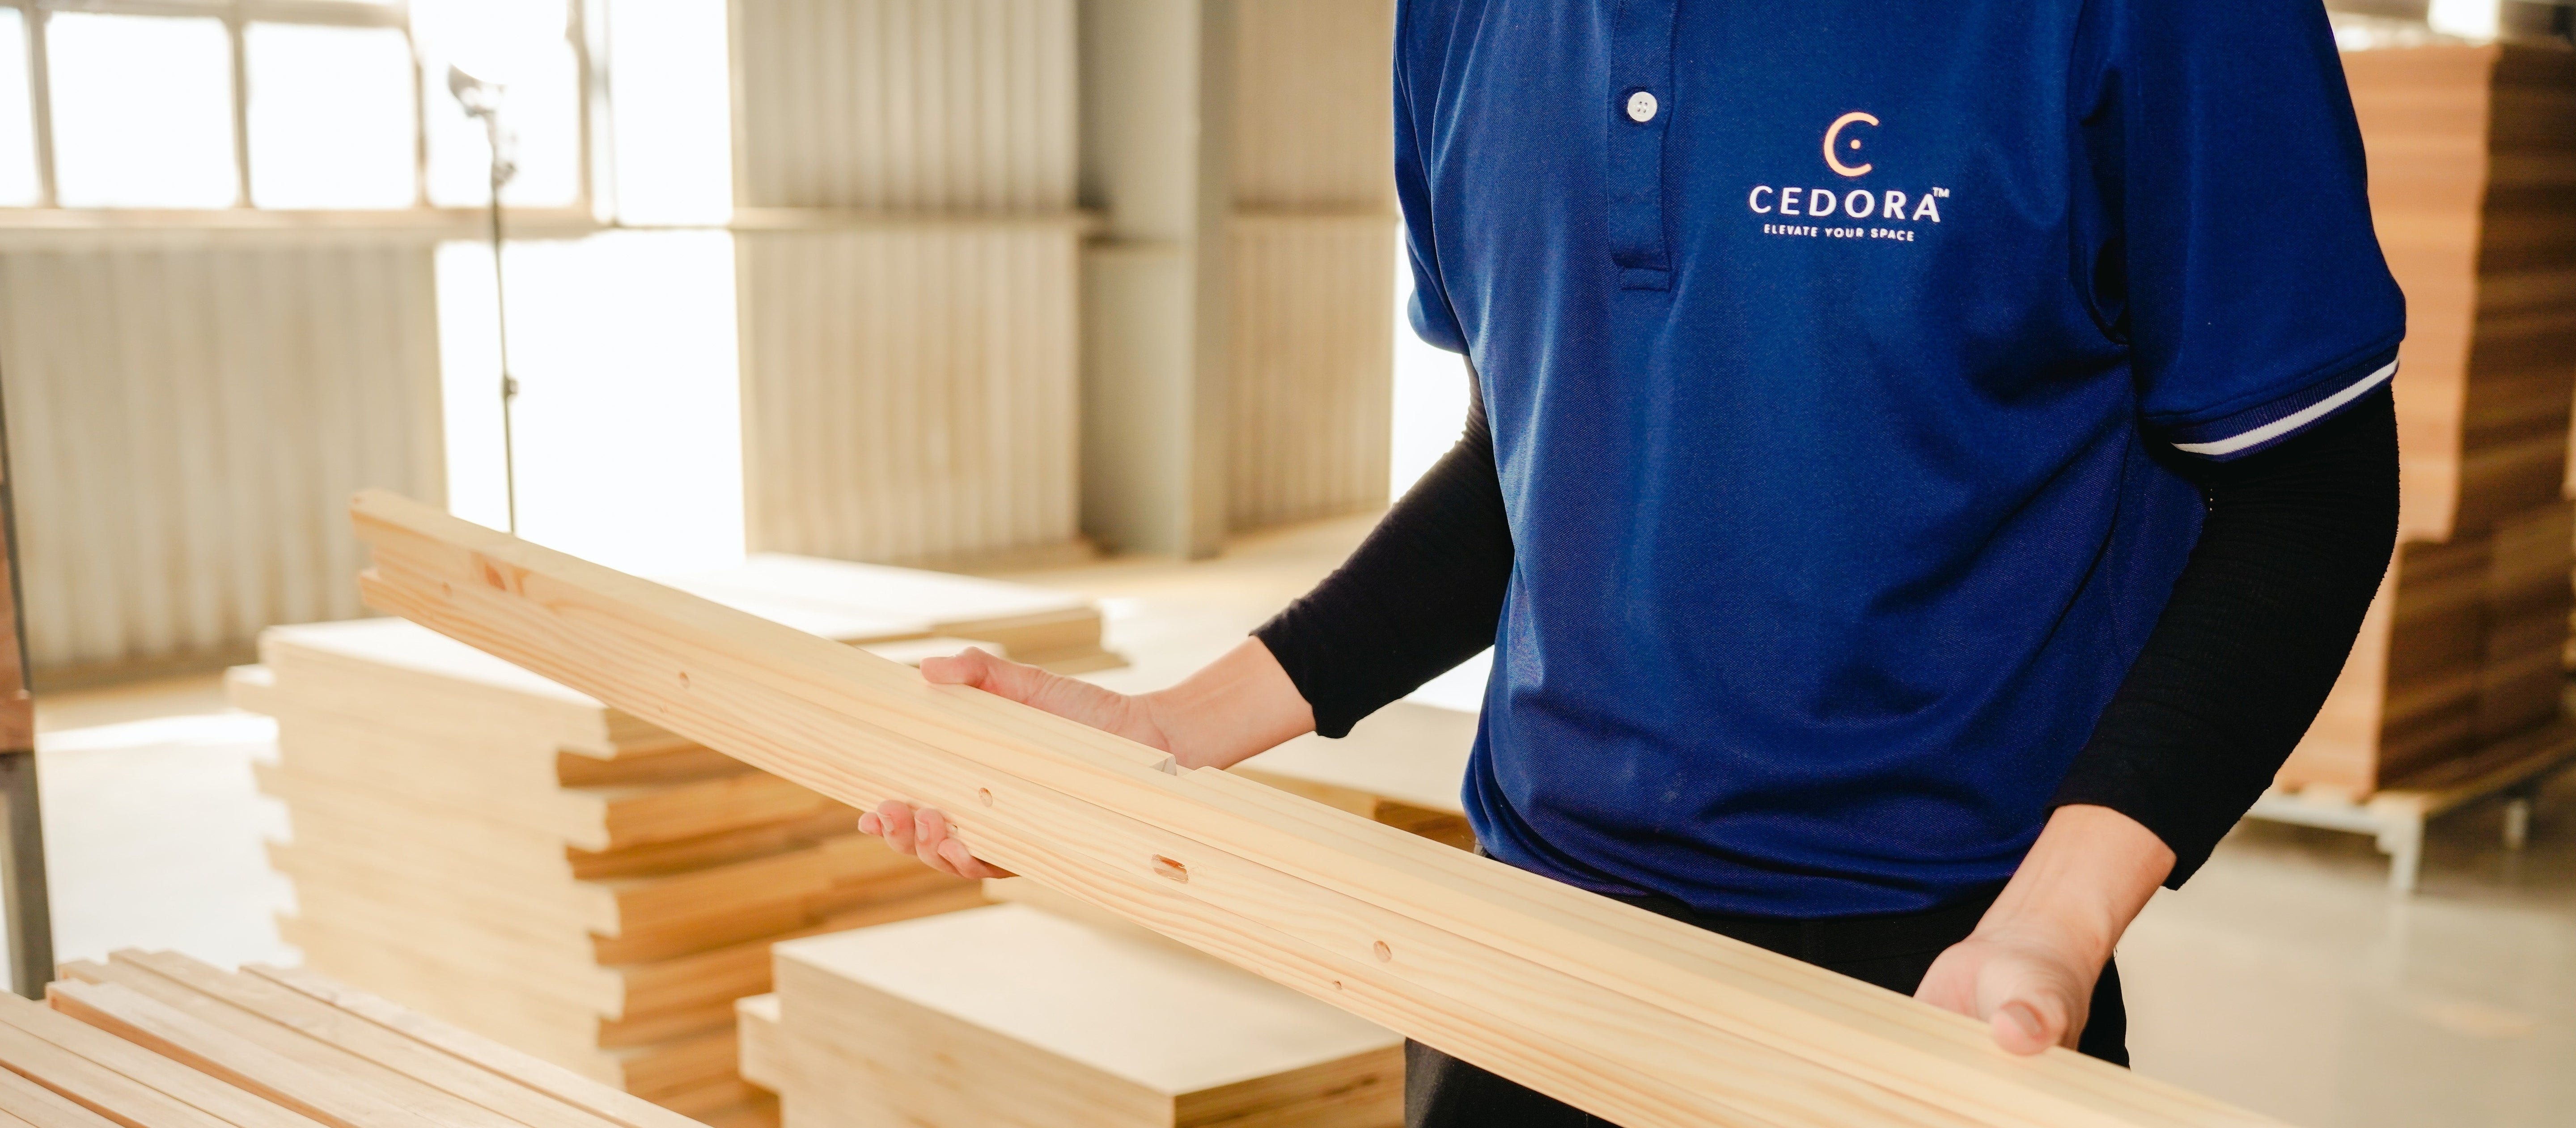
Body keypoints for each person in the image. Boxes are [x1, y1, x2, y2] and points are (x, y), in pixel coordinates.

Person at [860, 0, 2405, 1122]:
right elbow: (1537, 461)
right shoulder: (1465, 20)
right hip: (1525, 947)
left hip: (1937, 977)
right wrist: (1168, 728)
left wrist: (2052, 926)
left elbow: (2309, 495)